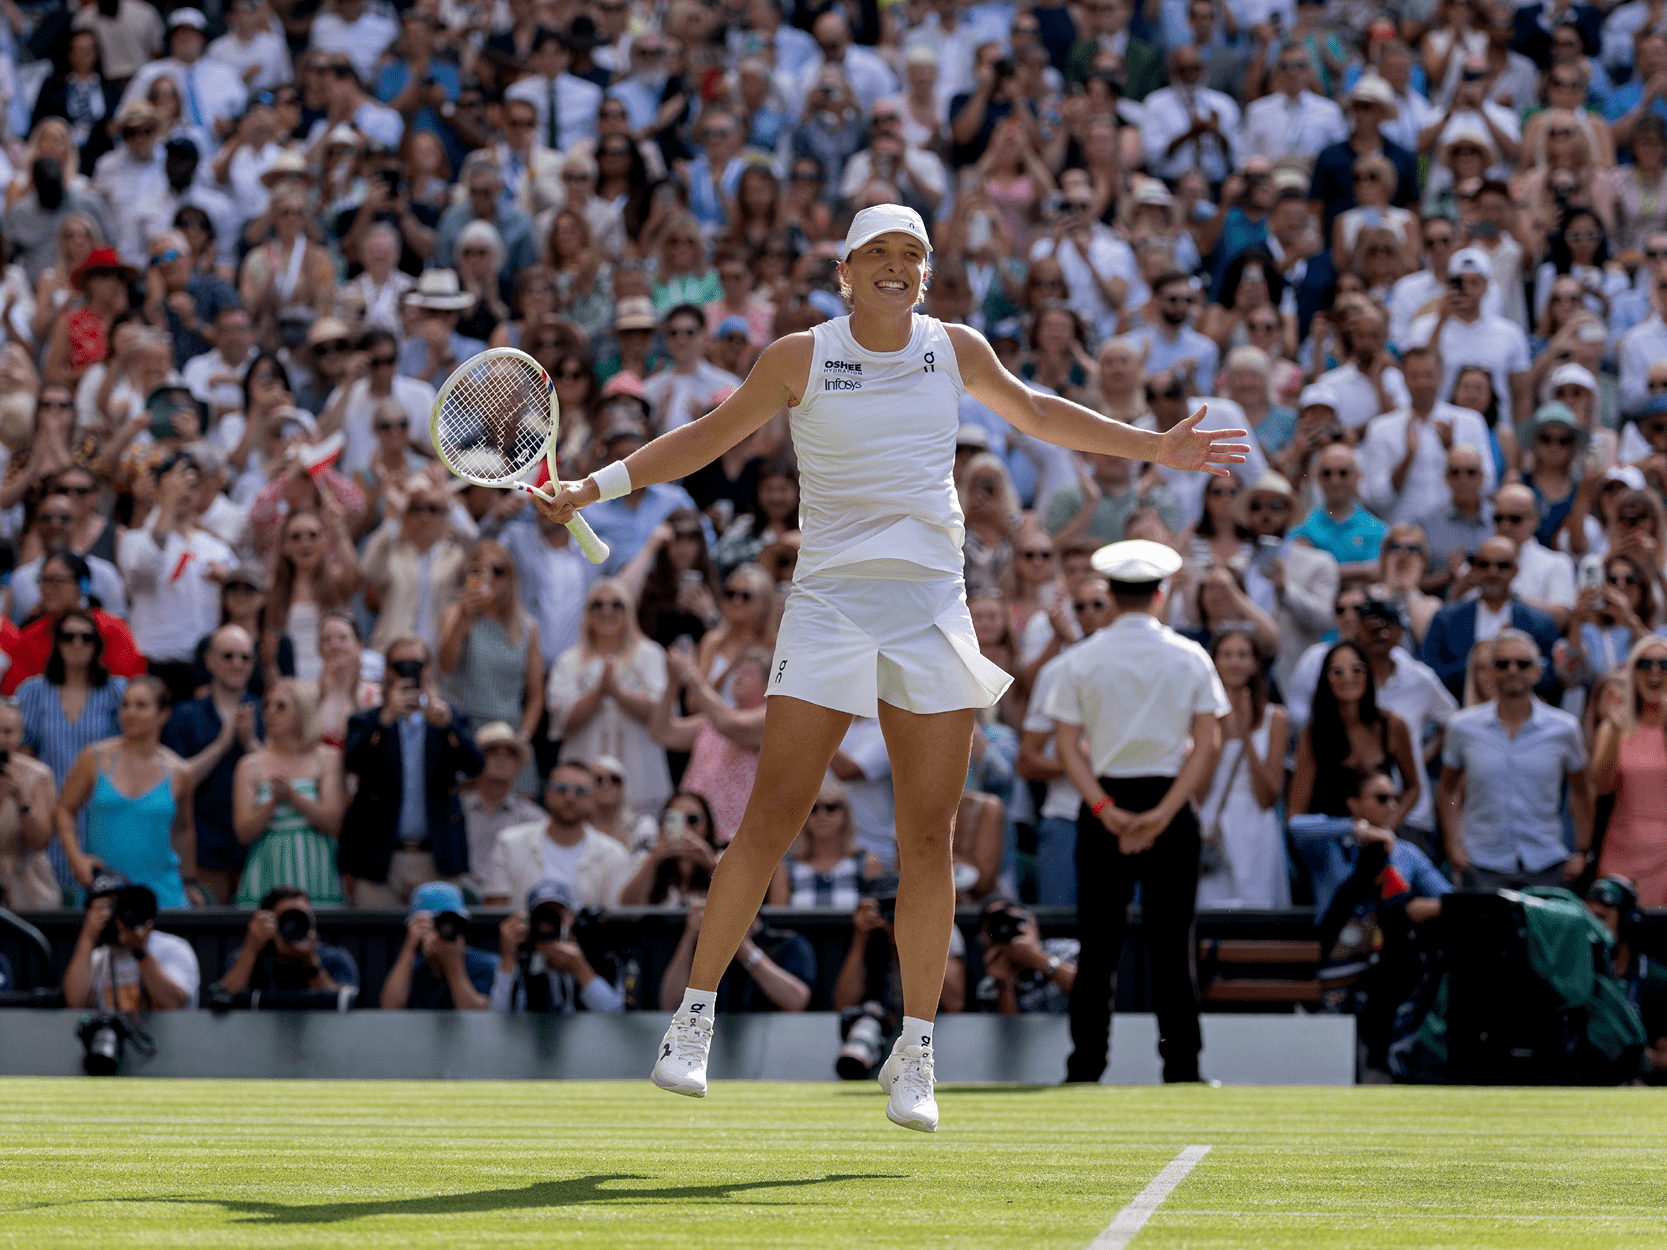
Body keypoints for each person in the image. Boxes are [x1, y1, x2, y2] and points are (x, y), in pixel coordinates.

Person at [535, 204, 1246, 1130]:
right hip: (829, 604)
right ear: (845, 269)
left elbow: (1034, 412)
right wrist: (594, 484)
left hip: (929, 610)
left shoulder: (955, 347)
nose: (897, 266)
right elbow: (709, 437)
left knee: (927, 841)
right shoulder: (798, 355)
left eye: (911, 254)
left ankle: (915, 1050)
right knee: (769, 822)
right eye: (879, 252)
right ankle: (693, 1018)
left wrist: (1152, 445)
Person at [1046, 540, 1229, 1084]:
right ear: (1160, 593)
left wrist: (1107, 811)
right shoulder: (1189, 655)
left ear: (1110, 594)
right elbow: (1210, 741)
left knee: (1097, 946)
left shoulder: (1081, 657)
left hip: (1106, 803)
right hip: (1167, 804)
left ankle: (1085, 1067)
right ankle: (1182, 1068)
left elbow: (1066, 745)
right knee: (1174, 946)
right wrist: (1163, 814)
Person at [1437, 629, 1593, 889]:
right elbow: (1447, 789)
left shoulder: (1564, 728)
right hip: (1481, 863)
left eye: (1522, 664)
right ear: (1490, 672)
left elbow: (1582, 792)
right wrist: (1452, 844)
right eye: (1502, 664)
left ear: (1537, 671)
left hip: (1546, 863)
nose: (1513, 670)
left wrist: (1582, 850)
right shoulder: (1462, 727)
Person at [338, 637, 484, 907]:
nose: (408, 670)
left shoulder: (450, 717)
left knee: (440, 940)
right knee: (378, 945)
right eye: (399, 665)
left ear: (428, 669)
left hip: (436, 856)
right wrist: (385, 720)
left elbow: (475, 766)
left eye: (415, 664)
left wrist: (448, 727)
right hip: (379, 857)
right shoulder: (367, 720)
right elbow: (353, 763)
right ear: (388, 671)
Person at [55, 677, 197, 907]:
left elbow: (183, 830)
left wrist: (190, 881)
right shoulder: (93, 757)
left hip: (162, 895)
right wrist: (76, 859)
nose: (130, 713)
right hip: (105, 891)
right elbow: (64, 809)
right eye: (125, 705)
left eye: (141, 706)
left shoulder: (181, 772)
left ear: (163, 714)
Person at [545, 578, 673, 818]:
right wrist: (599, 693)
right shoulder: (569, 661)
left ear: (629, 611)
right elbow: (561, 722)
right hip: (583, 773)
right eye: (598, 604)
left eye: (616, 605)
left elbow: (662, 717)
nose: (607, 611)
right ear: (587, 613)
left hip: (640, 774)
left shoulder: (650, 654)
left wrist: (618, 693)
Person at [160, 623, 262, 906]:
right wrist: (220, 746)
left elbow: (280, 775)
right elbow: (173, 784)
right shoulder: (184, 716)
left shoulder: (268, 711)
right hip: (202, 852)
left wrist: (251, 743)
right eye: (228, 655)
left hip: (255, 851)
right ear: (210, 661)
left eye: (245, 657)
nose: (237, 663)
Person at [437, 540, 543, 794]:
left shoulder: (527, 626)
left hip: (509, 736)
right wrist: (464, 618)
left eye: (497, 570)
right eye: (477, 570)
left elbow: (536, 695)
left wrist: (522, 739)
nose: (488, 578)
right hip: (465, 729)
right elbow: (446, 666)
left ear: (510, 577)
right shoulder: (454, 613)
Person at [1197, 627, 1290, 908]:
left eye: (1243, 655)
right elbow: (1196, 794)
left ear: (1255, 663)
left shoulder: (1276, 718)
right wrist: (1222, 738)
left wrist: (1246, 736)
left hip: (1255, 829)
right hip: (1210, 826)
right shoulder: (1197, 715)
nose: (1234, 662)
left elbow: (1268, 797)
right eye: (1226, 655)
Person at [231, 680, 345, 907]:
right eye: (267, 706)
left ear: (303, 712)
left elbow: (334, 821)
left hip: (316, 871)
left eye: (281, 707)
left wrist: (294, 796)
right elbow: (243, 832)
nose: (270, 713)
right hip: (266, 869)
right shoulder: (249, 765)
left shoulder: (328, 759)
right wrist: (273, 802)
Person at [1358, 345, 1497, 525]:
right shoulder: (1381, 428)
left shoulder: (1470, 421)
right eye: (1415, 376)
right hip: (1403, 531)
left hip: (1456, 530)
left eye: (1429, 375)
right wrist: (1408, 458)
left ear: (1441, 375)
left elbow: (1487, 484)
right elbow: (1375, 498)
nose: (1422, 384)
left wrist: (1452, 450)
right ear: (1404, 378)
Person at [1421, 535, 1562, 700]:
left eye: (1502, 566)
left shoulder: (1540, 623)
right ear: (1474, 568)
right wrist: (1480, 662)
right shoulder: (1446, 619)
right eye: (1484, 565)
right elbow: (1430, 676)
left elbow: (1551, 680)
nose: (1492, 572)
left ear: (1516, 570)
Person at [479, 761, 635, 908]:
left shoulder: (614, 855)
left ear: (592, 800)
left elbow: (614, 921)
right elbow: (495, 916)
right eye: (561, 788)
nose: (570, 797)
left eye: (580, 791)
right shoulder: (508, 843)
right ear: (547, 794)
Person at [1590, 637, 1667, 905]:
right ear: (1633, 673)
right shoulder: (1614, 728)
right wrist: (1612, 729)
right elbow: (1601, 787)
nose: (1655, 671)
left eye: (1664, 664)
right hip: (1623, 851)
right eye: (1645, 664)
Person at [62, 875, 198, 1012]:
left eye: (116, 905)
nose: (112, 915)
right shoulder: (97, 958)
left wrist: (140, 951)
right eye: (102, 908)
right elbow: (75, 1005)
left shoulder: (172, 948)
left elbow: (174, 1004)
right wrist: (87, 937)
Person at [493, 877, 626, 1013]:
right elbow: (499, 1017)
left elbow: (616, 1015)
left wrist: (581, 970)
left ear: (573, 916)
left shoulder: (596, 950)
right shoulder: (523, 955)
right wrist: (507, 957)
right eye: (542, 915)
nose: (549, 924)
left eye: (556, 914)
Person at [217, 885, 359, 1000]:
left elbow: (342, 1004)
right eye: (286, 918)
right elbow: (224, 999)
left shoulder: (335, 959)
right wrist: (251, 947)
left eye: (302, 917)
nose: (294, 925)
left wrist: (310, 962)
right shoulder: (247, 957)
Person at [379, 881, 495, 1010]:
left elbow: (478, 1020)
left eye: (451, 923)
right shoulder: (413, 968)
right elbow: (389, 1009)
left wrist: (453, 965)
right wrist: (410, 946)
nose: (443, 930)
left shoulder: (487, 966)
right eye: (434, 923)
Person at [460, 722, 546, 891]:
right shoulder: (455, 809)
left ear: (518, 765)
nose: (502, 757)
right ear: (476, 757)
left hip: (510, 901)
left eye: (510, 753)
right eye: (492, 751)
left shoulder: (535, 819)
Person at [0, 697, 61, 909]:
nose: (1, 739)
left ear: (20, 735)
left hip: (27, 888)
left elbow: (40, 841)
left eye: (8, 732)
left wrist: (21, 800)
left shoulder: (38, 775)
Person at [974, 899, 1079, 1015]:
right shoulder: (990, 985)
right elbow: (1008, 1030)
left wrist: (1039, 959)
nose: (1008, 930)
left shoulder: (1067, 951)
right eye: (998, 925)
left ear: (1032, 922)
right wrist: (1003, 986)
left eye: (1015, 922)